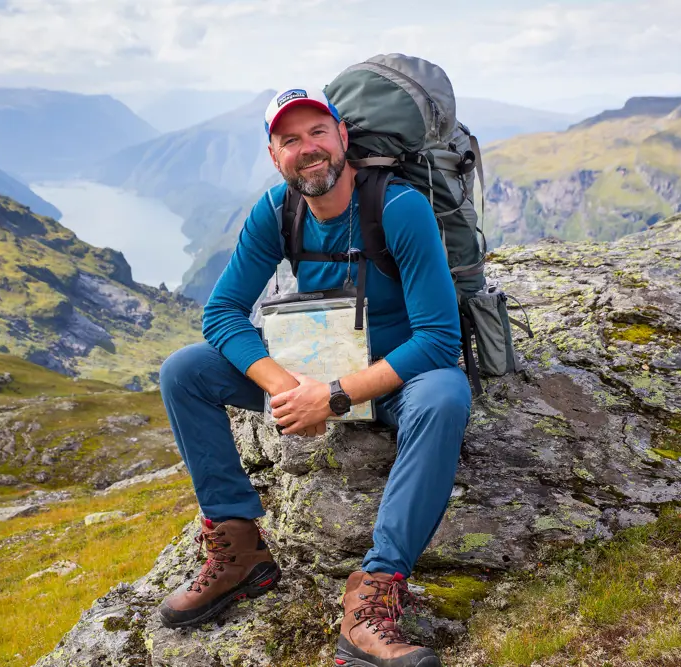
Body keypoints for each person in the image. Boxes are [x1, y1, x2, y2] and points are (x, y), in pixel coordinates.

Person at [156, 87, 471, 667]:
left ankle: (372, 600)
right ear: (275, 155)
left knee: (447, 395)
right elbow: (221, 312)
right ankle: (240, 556)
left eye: (318, 133)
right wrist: (285, 387)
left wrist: (331, 397)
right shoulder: (276, 211)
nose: (308, 149)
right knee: (184, 371)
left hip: (395, 383)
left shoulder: (399, 209)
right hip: (313, 372)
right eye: (290, 140)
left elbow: (438, 340)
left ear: (342, 138)